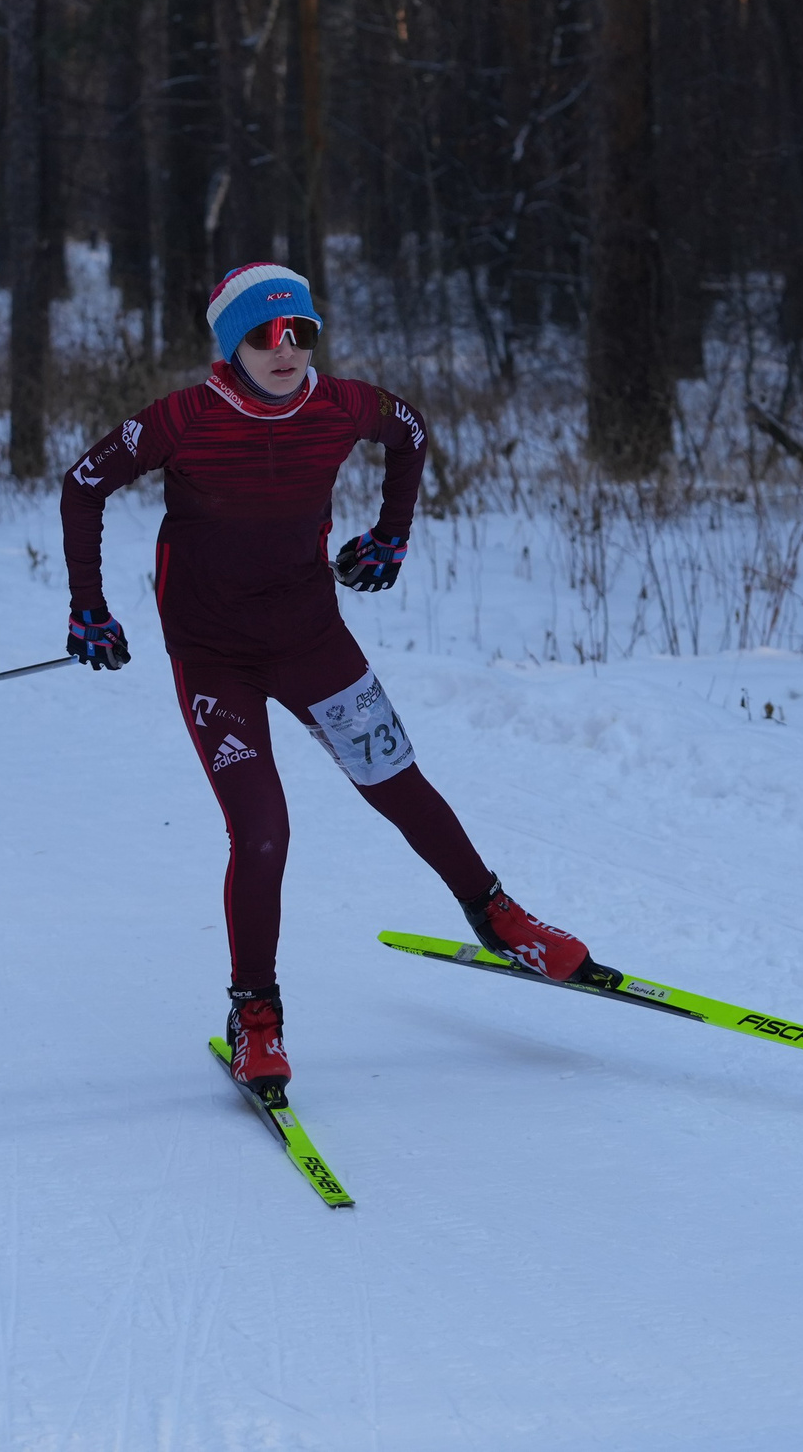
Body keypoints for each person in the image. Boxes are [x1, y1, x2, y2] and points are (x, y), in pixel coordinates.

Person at [59, 262, 603, 1100]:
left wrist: (392, 535)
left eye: (301, 332)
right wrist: (88, 608)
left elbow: (412, 431)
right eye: (264, 335)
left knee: (397, 780)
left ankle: (497, 916)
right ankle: (256, 1014)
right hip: (214, 656)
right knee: (264, 831)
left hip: (311, 636)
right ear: (229, 345)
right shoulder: (184, 418)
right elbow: (83, 483)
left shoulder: (343, 404)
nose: (286, 350)